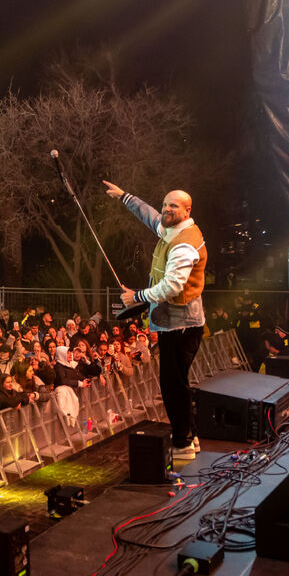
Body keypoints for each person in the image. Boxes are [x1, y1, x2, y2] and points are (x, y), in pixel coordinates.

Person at [104, 181, 206, 459]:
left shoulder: (184, 245)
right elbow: (150, 217)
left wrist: (136, 296)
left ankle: (183, 444)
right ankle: (191, 436)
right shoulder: (173, 229)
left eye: (173, 205)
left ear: (187, 210)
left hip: (180, 325)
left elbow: (172, 286)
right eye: (165, 204)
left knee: (173, 386)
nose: (166, 209)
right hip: (176, 323)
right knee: (178, 383)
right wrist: (125, 197)